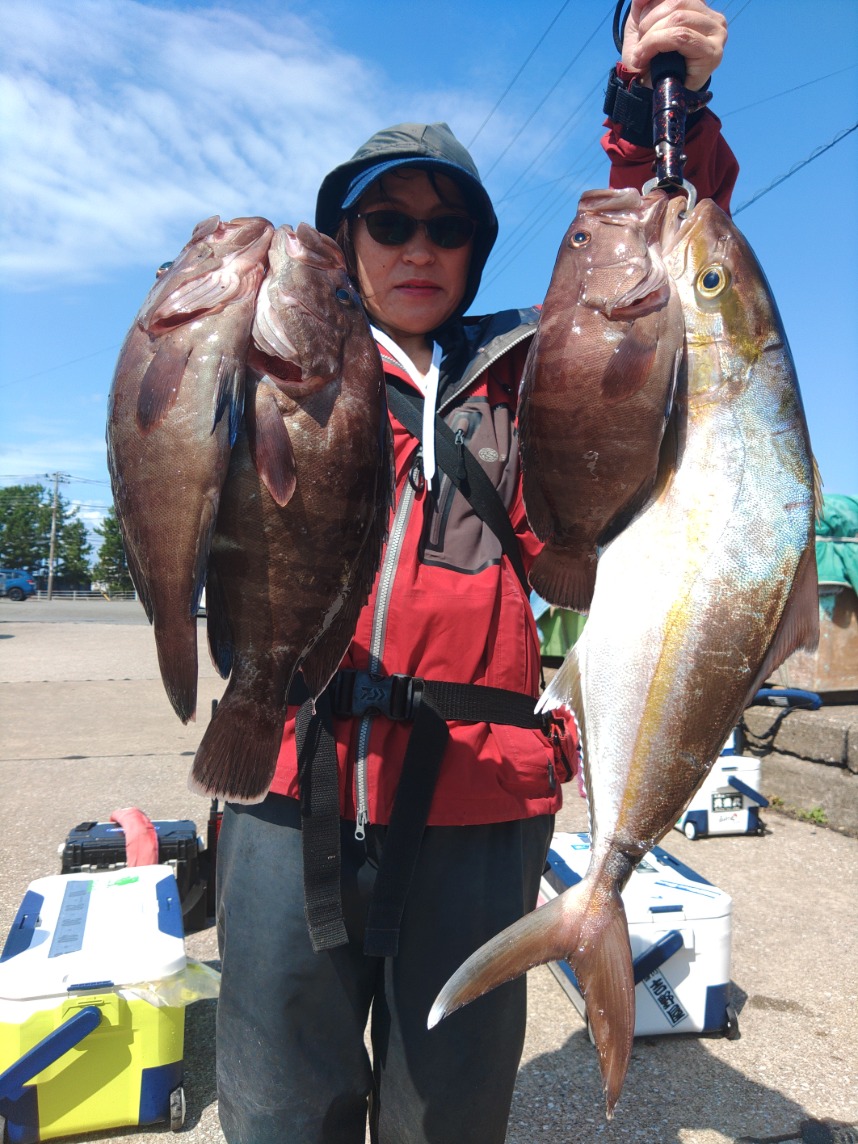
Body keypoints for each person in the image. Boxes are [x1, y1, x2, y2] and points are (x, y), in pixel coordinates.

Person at [215, 3, 737, 1141]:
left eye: (447, 228)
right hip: (287, 785)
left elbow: (659, 265)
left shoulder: (534, 369)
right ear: (344, 239)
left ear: (476, 252)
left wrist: (657, 105)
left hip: (479, 801)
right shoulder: (271, 361)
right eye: (389, 221)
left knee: (448, 1116)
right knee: (275, 1111)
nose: (418, 247)